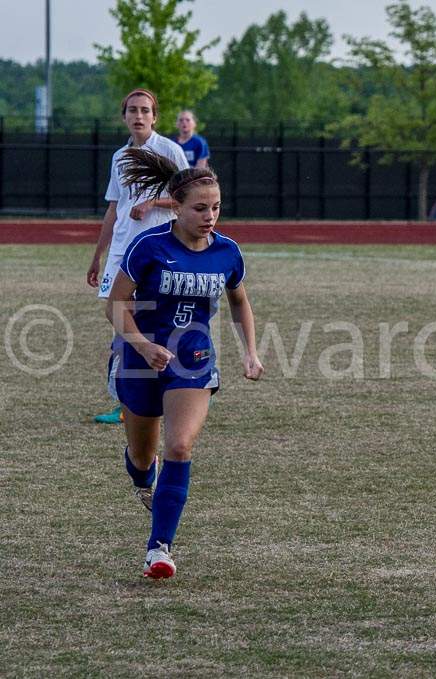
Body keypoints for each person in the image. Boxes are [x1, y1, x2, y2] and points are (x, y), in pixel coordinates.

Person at [106, 147, 263, 579]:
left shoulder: (228, 252)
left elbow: (239, 303)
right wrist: (140, 344)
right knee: (143, 457)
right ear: (175, 207)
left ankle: (159, 549)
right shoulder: (148, 246)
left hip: (193, 358)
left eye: (215, 207)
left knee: (179, 446)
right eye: (199, 208)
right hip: (141, 357)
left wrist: (250, 351)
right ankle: (142, 476)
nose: (210, 215)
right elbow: (116, 305)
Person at [87, 89, 190, 424]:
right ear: (124, 116)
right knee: (120, 318)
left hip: (157, 250)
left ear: (155, 116)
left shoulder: (168, 150)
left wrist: (153, 204)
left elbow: (189, 198)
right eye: (132, 110)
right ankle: (126, 399)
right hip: (122, 251)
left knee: (151, 321)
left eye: (145, 110)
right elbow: (114, 208)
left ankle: (181, 387)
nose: (139, 116)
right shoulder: (119, 156)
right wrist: (97, 255)